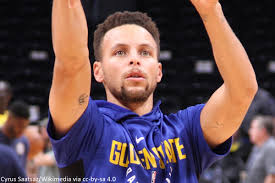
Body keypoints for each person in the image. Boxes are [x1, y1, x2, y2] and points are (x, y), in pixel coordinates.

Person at [48, 0, 258, 182]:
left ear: (158, 71)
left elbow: (242, 90)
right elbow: (71, 63)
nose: (134, 59)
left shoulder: (187, 131)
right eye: (120, 52)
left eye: (145, 52)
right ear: (98, 71)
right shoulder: (85, 127)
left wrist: (211, 10)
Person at [242, 116, 275, 183]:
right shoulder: (256, 147)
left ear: (263, 131)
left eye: (252, 128)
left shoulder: (271, 147)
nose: (249, 131)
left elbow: (272, 176)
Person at [0, 100, 30, 169]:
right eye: (19, 126)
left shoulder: (24, 141)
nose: (21, 130)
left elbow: (24, 167)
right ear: (9, 118)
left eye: (24, 127)